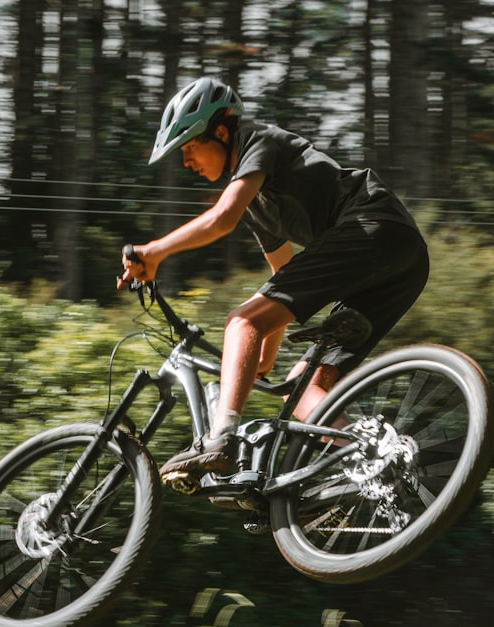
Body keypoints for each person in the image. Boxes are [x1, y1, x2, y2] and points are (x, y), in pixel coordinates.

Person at [118, 77, 429, 482]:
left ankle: (220, 439)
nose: (186, 162)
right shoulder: (258, 204)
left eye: (190, 147)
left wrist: (153, 252)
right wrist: (259, 359)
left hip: (372, 227)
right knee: (301, 389)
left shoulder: (257, 141)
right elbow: (282, 277)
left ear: (223, 132)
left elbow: (220, 220)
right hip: (400, 263)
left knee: (240, 320)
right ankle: (375, 460)